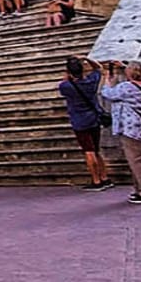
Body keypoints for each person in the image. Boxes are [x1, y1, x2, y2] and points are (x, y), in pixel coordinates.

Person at [100, 61, 141, 204]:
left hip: (133, 129)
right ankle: (139, 191)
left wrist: (107, 79)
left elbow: (107, 93)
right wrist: (126, 65)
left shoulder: (126, 88)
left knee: (137, 162)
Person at [59, 57, 115, 190]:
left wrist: (68, 76)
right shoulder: (91, 81)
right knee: (96, 150)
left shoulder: (66, 86)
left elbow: (63, 84)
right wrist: (85, 58)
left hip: (79, 121)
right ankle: (105, 177)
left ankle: (96, 180)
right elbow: (99, 68)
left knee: (88, 151)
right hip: (94, 118)